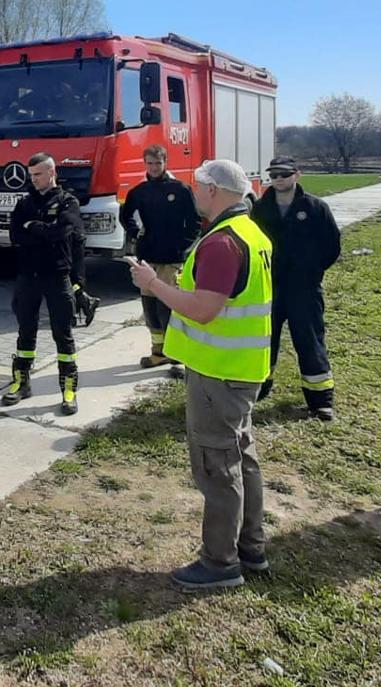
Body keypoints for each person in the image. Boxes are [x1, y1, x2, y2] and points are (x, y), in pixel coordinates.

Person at [130, 159, 275, 590]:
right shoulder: (252, 231)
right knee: (241, 456)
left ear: (213, 190)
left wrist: (152, 283)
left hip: (219, 373)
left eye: (198, 186)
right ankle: (251, 547)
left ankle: (219, 563)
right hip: (241, 369)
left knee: (216, 466)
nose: (194, 193)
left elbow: (203, 309)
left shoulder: (222, 242)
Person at [250, 156, 343, 420]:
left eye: (284, 174)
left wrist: (313, 270)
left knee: (310, 341)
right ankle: (259, 388)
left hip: (305, 288)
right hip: (271, 286)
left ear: (296, 175)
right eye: (274, 174)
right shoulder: (260, 208)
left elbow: (332, 245)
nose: (278, 179)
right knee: (264, 340)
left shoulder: (315, 207)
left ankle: (320, 400)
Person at [3, 152, 83, 415]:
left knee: (63, 334)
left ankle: (68, 389)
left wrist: (33, 228)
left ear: (51, 172)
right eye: (31, 175)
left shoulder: (67, 201)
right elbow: (15, 235)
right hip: (28, 276)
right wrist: (42, 230)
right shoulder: (24, 203)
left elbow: (63, 232)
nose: (33, 180)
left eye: (38, 174)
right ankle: (21, 382)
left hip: (57, 276)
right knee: (26, 330)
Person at [118, 144, 202, 372]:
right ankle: (158, 352)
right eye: (150, 163)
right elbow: (125, 216)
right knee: (150, 307)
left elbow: (195, 222)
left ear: (166, 163)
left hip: (172, 258)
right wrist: (136, 234)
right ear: (144, 164)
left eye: (158, 163)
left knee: (169, 306)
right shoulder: (139, 192)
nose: (154, 168)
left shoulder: (181, 189)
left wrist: (184, 247)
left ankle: (176, 355)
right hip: (147, 257)